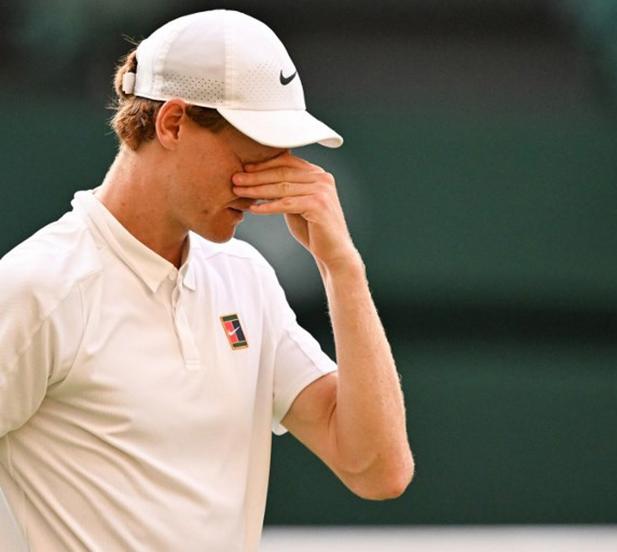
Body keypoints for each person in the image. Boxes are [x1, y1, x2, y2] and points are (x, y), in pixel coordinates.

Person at [0, 9, 413, 551]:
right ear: (172, 123)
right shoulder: (39, 286)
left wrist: (344, 270)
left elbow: (378, 470)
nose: (262, 186)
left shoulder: (246, 279)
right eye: (249, 159)